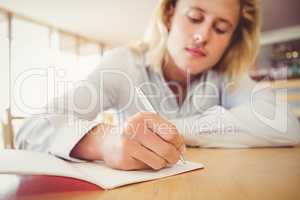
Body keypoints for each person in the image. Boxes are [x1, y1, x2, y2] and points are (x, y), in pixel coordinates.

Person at [15, 0, 300, 171]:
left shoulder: (225, 75)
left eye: (220, 28)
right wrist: (104, 141)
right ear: (169, 15)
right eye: (195, 18)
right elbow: (33, 129)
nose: (202, 36)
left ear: (232, 39)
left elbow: (286, 125)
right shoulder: (124, 64)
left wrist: (175, 129)